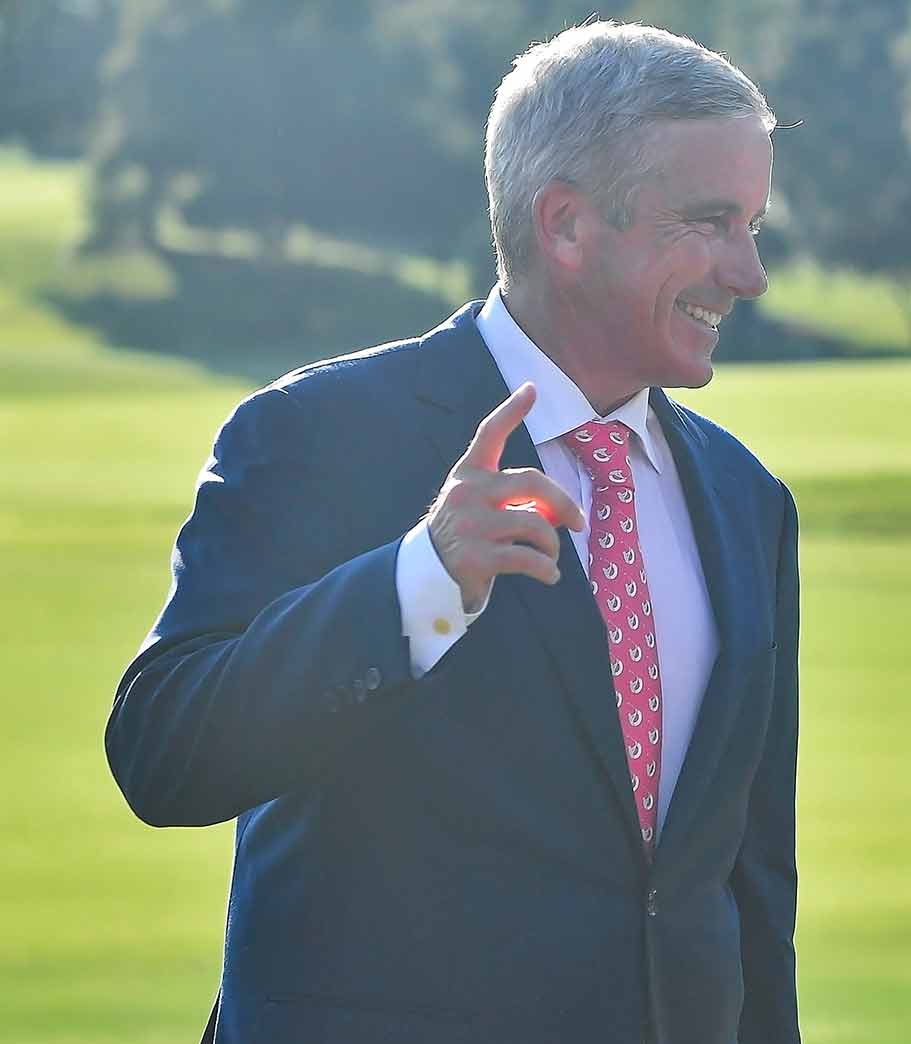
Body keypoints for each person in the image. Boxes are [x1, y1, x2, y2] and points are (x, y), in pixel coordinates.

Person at [106, 23, 798, 1044]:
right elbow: (164, 753)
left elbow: (752, 885)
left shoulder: (747, 498)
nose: (749, 273)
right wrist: (414, 584)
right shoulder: (315, 433)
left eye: (753, 225)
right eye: (709, 222)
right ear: (566, 224)